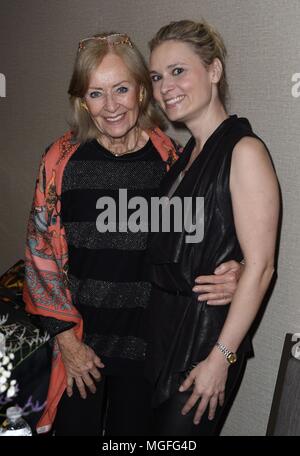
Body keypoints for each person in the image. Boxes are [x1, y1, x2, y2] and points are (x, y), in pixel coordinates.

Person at [23, 31, 243, 436]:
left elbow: (199, 242)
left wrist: (235, 274)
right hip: (80, 349)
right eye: (95, 93)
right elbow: (41, 258)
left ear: (141, 91)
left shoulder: (170, 161)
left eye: (121, 89)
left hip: (147, 348)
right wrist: (69, 344)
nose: (110, 107)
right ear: (81, 101)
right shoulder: (60, 160)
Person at [143, 20, 280, 436]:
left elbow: (262, 267)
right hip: (164, 334)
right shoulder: (185, 156)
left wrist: (222, 358)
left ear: (214, 71)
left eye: (178, 70)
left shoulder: (244, 150)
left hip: (205, 343)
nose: (165, 86)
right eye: (156, 76)